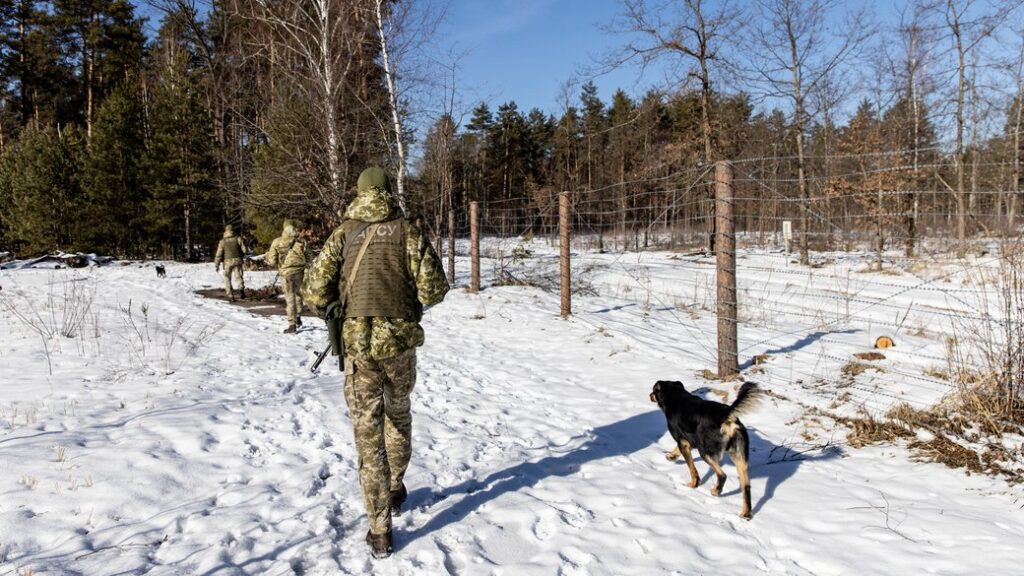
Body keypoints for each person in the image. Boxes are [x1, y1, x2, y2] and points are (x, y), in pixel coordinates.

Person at [302, 166, 449, 559]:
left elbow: (312, 290)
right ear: (387, 192)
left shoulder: (343, 233)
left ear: (360, 192)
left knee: (368, 435)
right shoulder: (407, 232)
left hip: (358, 350)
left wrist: (335, 307)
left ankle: (380, 530)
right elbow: (435, 289)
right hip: (399, 347)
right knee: (398, 416)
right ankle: (396, 486)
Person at [265, 220, 309, 333]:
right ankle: (298, 315)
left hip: (286, 273)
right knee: (298, 294)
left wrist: (268, 259)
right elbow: (309, 256)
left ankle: (292, 324)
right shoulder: (301, 241)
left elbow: (272, 261)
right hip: (299, 271)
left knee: (290, 298)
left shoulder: (277, 242)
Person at [214, 224, 247, 301]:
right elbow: (245, 250)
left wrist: (217, 265)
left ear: (225, 231)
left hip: (227, 262)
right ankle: (241, 288)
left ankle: (230, 295)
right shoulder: (238, 238)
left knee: (227, 278)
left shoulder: (222, 241)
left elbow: (218, 254)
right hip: (238, 260)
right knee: (238, 276)